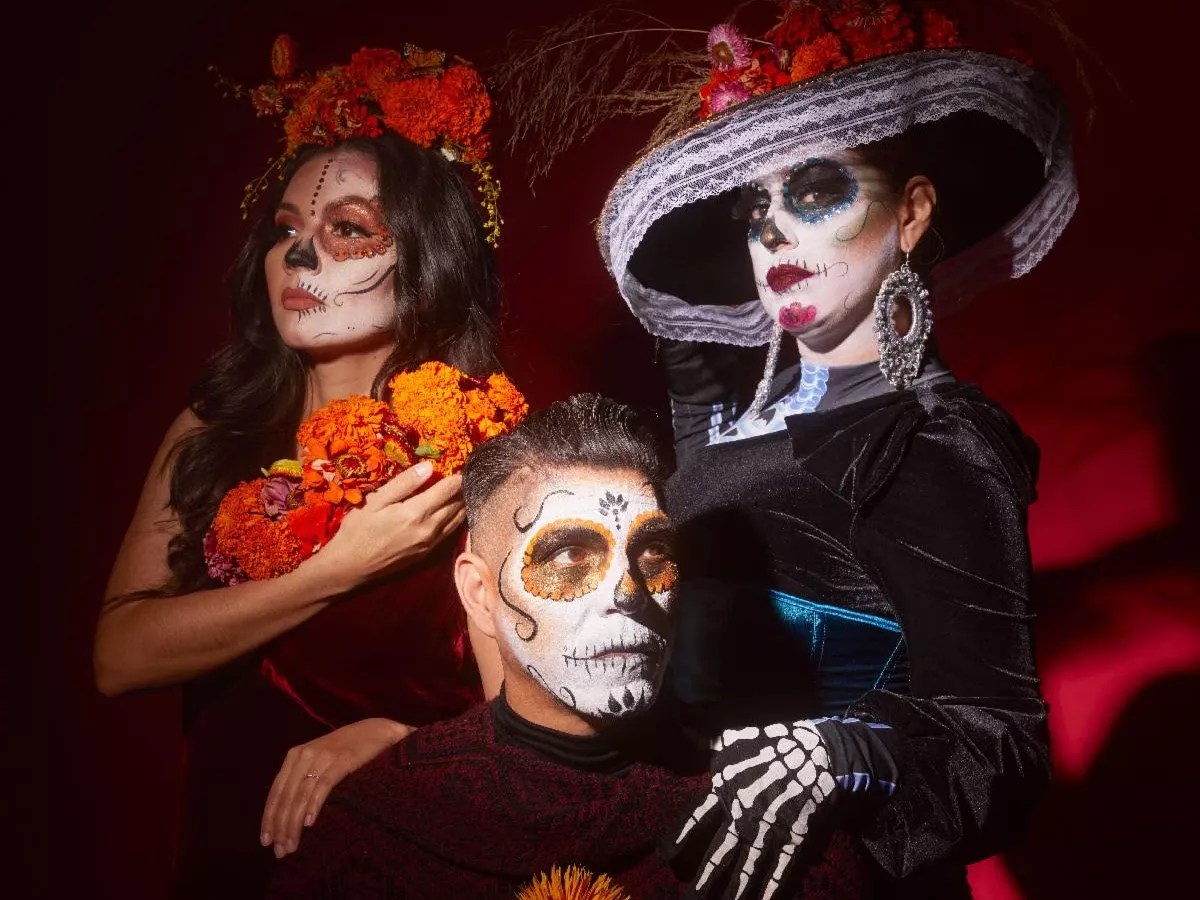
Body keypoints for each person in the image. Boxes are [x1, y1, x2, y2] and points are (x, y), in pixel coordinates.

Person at [580, 1, 1082, 897]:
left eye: (815, 192)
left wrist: (844, 752)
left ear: (912, 213)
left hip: (834, 873)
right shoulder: (731, 417)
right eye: (753, 208)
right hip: (680, 852)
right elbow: (693, 384)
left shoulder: (931, 438)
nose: (773, 231)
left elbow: (1001, 739)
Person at [94, 37, 508, 898]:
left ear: (426, 260)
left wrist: (407, 742)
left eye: (347, 229)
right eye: (287, 230)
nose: (300, 255)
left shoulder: (478, 446)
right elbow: (118, 658)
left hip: (408, 858)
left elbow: (546, 720)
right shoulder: (214, 429)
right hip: (227, 861)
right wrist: (337, 568)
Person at [266, 393, 872, 900]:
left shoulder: (763, 812)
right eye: (570, 554)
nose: (628, 592)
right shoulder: (377, 827)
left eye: (653, 552)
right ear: (479, 593)